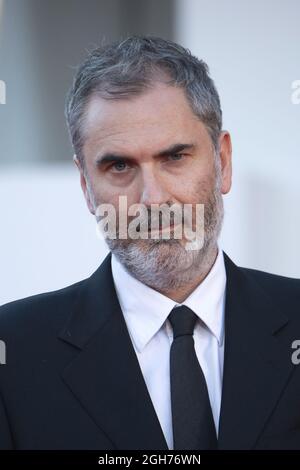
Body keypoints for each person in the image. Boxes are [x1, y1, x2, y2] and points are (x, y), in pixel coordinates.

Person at [0, 36, 299, 450]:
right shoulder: (13, 354)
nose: (152, 199)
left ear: (223, 163)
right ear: (86, 186)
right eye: (119, 165)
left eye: (174, 157)